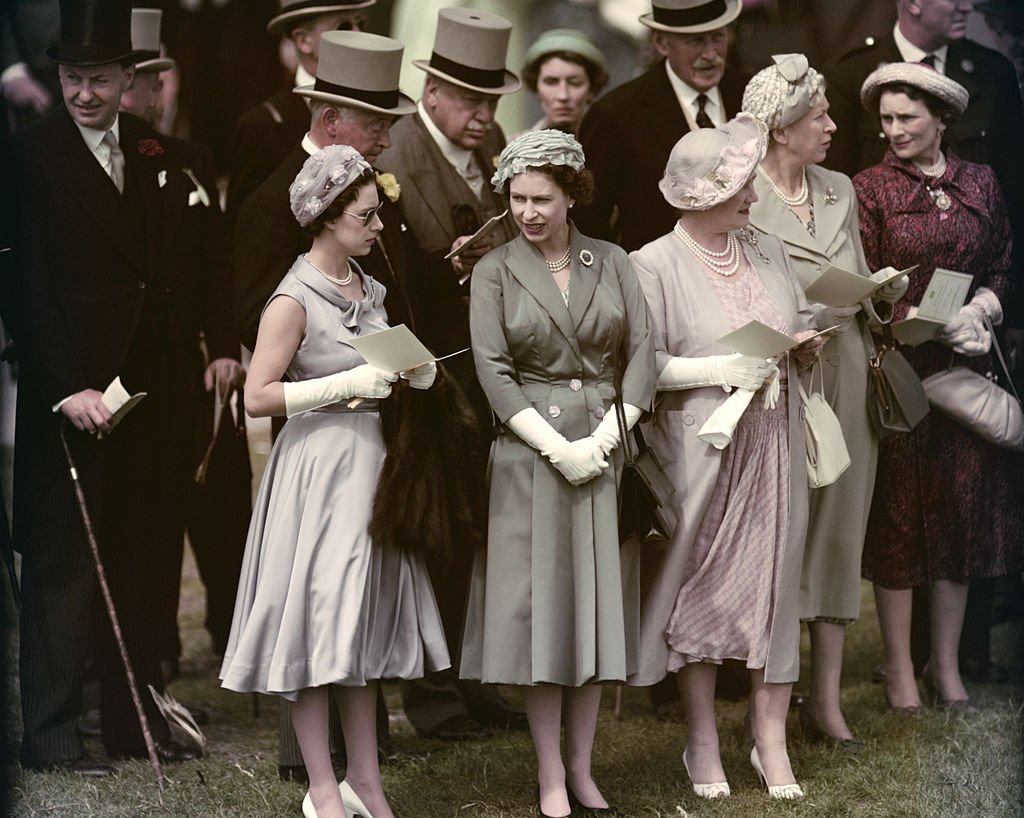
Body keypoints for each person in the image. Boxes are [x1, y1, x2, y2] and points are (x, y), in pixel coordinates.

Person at [8, 0, 210, 774]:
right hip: (73, 396)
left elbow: (159, 275)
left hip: (143, 398)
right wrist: (68, 387)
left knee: (138, 558)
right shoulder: (28, 156)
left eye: (97, 79)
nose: (84, 94)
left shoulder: (153, 151)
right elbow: (26, 287)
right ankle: (52, 736)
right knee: (63, 567)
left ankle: (131, 722)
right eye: (70, 79)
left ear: (130, 78)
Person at [220, 145, 449, 818]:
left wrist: (412, 371)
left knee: (359, 628)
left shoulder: (370, 288)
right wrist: (346, 383)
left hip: (373, 467)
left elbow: (389, 356)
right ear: (325, 219)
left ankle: (367, 780)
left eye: (377, 215)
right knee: (318, 626)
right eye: (365, 217)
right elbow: (257, 397)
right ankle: (322, 784)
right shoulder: (291, 300)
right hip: (318, 472)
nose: (378, 228)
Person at [460, 129, 654, 818]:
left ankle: (582, 766)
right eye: (517, 199)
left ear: (573, 193)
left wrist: (604, 439)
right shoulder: (495, 270)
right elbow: (492, 370)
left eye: (542, 198)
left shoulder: (614, 261)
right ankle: (548, 774)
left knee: (595, 610)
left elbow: (642, 354)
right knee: (543, 615)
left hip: (603, 447)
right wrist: (554, 446)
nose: (529, 212)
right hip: (530, 457)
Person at [630, 113, 821, 801]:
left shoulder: (766, 249)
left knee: (776, 588)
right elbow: (641, 367)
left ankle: (768, 738)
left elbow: (796, 316)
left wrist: (804, 342)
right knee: (703, 590)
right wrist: (718, 368)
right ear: (700, 193)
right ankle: (702, 738)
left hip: (775, 438)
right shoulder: (651, 264)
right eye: (739, 184)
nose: (752, 194)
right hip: (703, 447)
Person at [741, 53, 909, 752]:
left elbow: (861, 275)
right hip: (779, 376)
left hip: (843, 365)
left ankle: (827, 702)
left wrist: (884, 294)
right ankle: (767, 707)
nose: (835, 127)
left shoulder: (839, 186)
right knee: (779, 539)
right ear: (782, 130)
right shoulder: (740, 186)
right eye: (820, 117)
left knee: (840, 534)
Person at [853, 62, 1024, 716]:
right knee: (900, 524)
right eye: (886, 119)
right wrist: (910, 321)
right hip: (900, 373)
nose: (893, 130)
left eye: (907, 118)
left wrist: (983, 310)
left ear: (942, 120)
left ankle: (946, 668)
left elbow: (1004, 262)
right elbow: (862, 281)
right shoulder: (869, 187)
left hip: (965, 370)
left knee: (957, 519)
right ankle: (899, 671)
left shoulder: (980, 180)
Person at [377, 6, 527, 743]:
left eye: (492, 99)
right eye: (469, 98)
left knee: (480, 528)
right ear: (431, 90)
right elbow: (390, 269)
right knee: (436, 528)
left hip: (486, 362)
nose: (483, 114)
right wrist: (454, 268)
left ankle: (471, 678)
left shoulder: (491, 142)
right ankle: (432, 693)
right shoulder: (397, 153)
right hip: (429, 365)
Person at [119, 4, 246, 678]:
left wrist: (225, 345)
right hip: (131, 370)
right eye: (141, 81)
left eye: (157, 80)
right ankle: (153, 648)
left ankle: (234, 636)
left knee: (220, 497)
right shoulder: (108, 167)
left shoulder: (192, 160)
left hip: (195, 365)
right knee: (149, 513)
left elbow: (219, 266)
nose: (152, 94)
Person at [575, 0, 749, 252]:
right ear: (661, 43)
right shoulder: (616, 114)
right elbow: (589, 222)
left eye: (718, 37)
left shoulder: (749, 95)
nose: (710, 54)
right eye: (696, 41)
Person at [225, 0, 376, 222]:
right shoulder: (264, 125)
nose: (358, 35)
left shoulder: (376, 110)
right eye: (344, 27)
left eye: (361, 24)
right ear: (304, 40)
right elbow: (242, 227)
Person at [519, 28, 609, 135]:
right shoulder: (513, 148)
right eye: (551, 82)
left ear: (592, 90)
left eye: (575, 83)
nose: (563, 96)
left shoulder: (614, 148)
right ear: (536, 88)